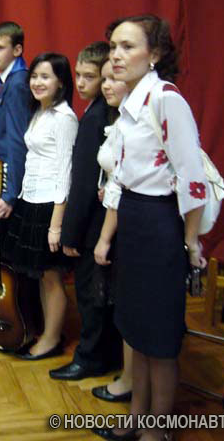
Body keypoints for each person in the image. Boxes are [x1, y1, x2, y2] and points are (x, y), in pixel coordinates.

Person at [92, 15, 208, 441]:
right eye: (113, 47)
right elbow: (123, 176)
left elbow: (193, 178)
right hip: (134, 219)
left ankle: (157, 432)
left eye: (128, 47)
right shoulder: (130, 103)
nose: (116, 56)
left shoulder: (166, 99)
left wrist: (190, 241)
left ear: (154, 53)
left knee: (158, 338)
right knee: (135, 330)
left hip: (160, 223)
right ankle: (135, 417)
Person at [50, 42, 122, 381]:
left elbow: (82, 184)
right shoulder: (97, 111)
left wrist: (70, 233)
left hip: (92, 224)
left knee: (91, 294)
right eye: (78, 75)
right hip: (99, 219)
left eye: (89, 76)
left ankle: (90, 357)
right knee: (99, 294)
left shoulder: (95, 118)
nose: (80, 82)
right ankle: (105, 354)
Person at [2, 53, 78, 360]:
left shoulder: (64, 118)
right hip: (31, 199)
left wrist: (56, 225)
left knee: (51, 277)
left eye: (45, 77)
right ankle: (47, 333)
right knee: (43, 277)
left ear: (61, 82)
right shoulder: (40, 111)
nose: (37, 82)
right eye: (34, 76)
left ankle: (51, 339)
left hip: (50, 206)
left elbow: (65, 173)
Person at [90, 59, 134, 404]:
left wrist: (104, 238)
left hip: (129, 224)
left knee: (131, 306)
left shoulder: (133, 123)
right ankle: (130, 375)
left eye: (113, 79)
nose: (106, 85)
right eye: (103, 79)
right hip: (118, 216)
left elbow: (123, 184)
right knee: (123, 305)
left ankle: (132, 380)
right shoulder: (119, 119)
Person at [0, 22, 32, 227]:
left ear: (17, 50)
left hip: (11, 175)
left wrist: (10, 193)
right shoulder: (8, 80)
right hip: (2, 168)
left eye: (0, 47)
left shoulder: (17, 83)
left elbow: (17, 139)